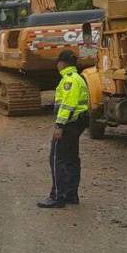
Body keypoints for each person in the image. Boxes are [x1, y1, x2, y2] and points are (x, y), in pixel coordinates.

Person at [38, 50, 89, 208]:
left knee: (56, 158)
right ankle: (70, 194)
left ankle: (57, 196)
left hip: (69, 124)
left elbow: (68, 105)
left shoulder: (69, 80)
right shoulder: (78, 78)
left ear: (62, 63)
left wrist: (59, 125)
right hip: (77, 123)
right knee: (71, 159)